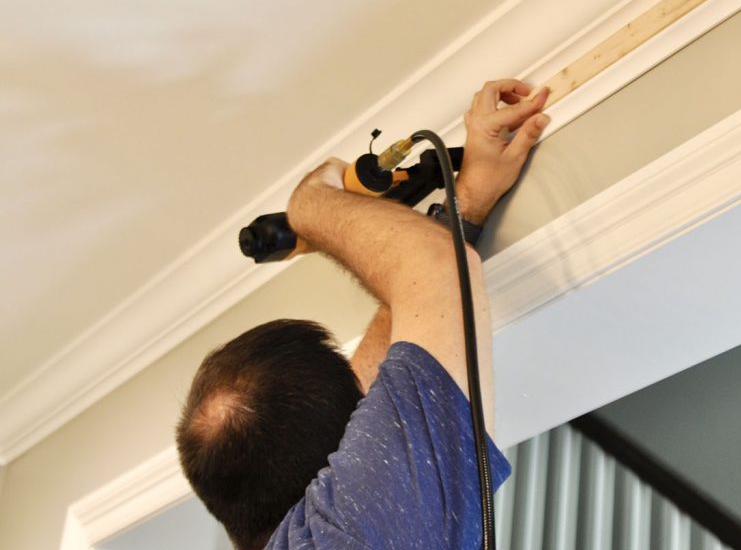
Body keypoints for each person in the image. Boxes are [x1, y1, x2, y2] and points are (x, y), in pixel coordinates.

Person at [176, 79, 552, 549]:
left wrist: (467, 203)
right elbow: (432, 266)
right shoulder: (347, 535)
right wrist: (310, 204)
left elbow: (386, 373)